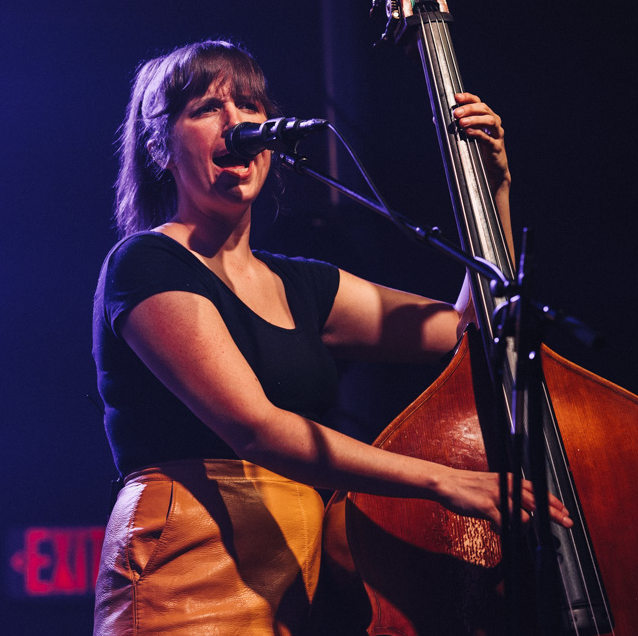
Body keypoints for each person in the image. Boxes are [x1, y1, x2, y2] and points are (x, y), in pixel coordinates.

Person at [92, 39, 570, 636]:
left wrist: (490, 191)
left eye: (249, 105)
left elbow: (468, 332)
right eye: (207, 109)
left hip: (301, 577)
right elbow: (254, 426)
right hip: (191, 572)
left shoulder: (303, 285)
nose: (238, 122)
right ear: (160, 146)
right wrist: (440, 480)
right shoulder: (147, 263)